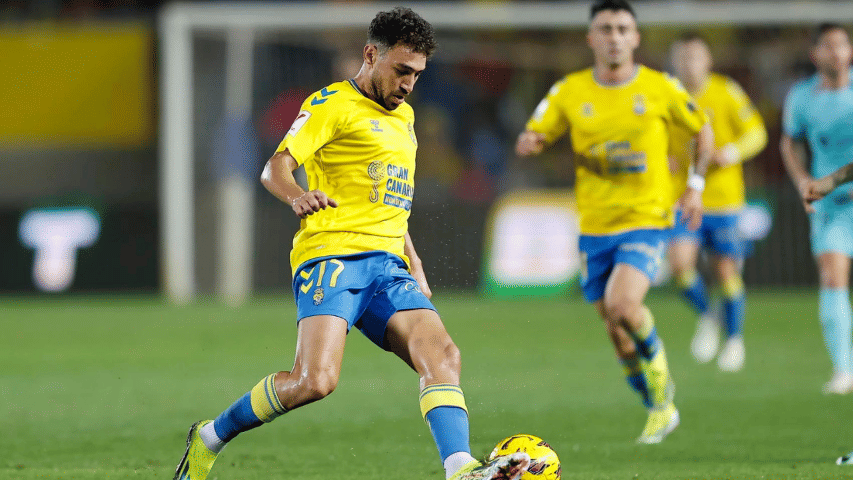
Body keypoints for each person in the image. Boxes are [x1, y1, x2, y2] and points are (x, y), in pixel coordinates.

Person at [172, 8, 530, 480]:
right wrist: (298, 196)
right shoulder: (330, 104)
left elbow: (392, 200)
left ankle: (460, 469)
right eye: (401, 70)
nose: (408, 84)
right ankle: (209, 436)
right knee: (314, 381)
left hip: (388, 265)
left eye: (418, 74)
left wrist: (414, 260)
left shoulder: (406, 117)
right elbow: (275, 167)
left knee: (442, 355)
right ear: (371, 55)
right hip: (332, 256)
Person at [515, 0, 712, 444]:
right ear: (591, 38)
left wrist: (695, 185)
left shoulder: (660, 87)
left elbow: (703, 129)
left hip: (646, 217)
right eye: (605, 29)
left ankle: (664, 392)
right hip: (594, 226)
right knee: (616, 331)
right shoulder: (570, 90)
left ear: (636, 38)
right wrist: (533, 140)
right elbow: (539, 129)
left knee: (624, 305)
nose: (615, 37)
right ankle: (656, 405)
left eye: (623, 29)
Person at [667, 33, 767, 372]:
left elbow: (757, 132)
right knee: (680, 266)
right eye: (683, 58)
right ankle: (709, 316)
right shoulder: (668, 97)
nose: (689, 64)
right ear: (674, 63)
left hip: (724, 200)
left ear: (708, 60)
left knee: (726, 272)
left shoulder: (727, 91)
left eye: (695, 57)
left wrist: (732, 152)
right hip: (684, 199)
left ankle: (735, 341)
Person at [781, 23, 853, 395]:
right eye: (828, 45)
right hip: (833, 208)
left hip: (834, 189)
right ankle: (844, 370)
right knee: (832, 276)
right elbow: (789, 142)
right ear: (815, 54)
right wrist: (802, 181)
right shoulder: (802, 96)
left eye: (842, 44)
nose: (836, 52)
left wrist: (829, 181)